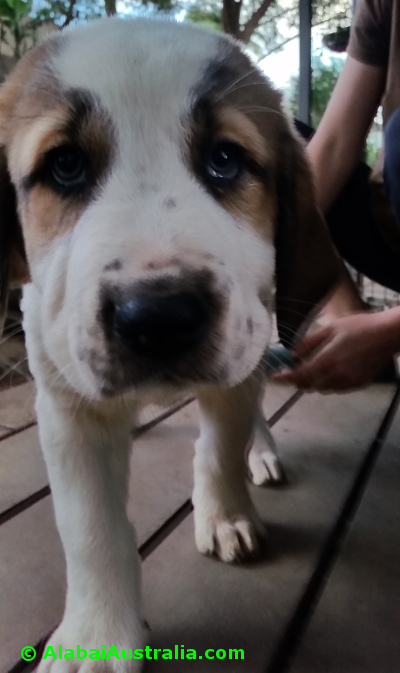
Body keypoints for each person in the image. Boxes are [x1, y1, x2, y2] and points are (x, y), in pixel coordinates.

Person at [273, 0, 400, 392]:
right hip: (390, 229)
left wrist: (388, 331)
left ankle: (369, 337)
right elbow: (333, 145)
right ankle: (344, 324)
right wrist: (256, 257)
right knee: (282, 145)